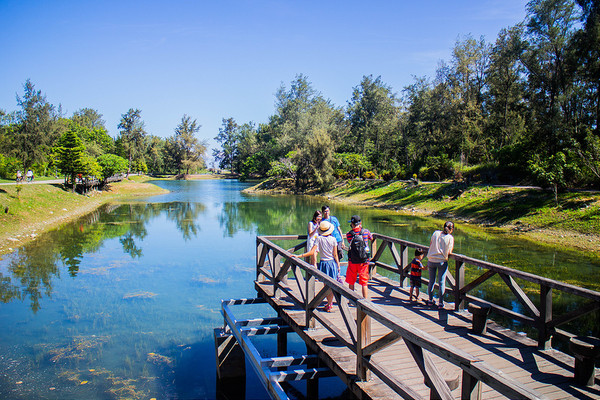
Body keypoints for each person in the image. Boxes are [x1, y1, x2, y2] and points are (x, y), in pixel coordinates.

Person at [292, 220, 340, 312]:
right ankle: (330, 304)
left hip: (323, 263)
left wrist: (298, 256)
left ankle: (329, 304)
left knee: (326, 285)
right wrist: (337, 264)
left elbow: (311, 252)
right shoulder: (333, 239)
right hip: (332, 263)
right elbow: (335, 255)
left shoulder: (318, 239)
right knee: (332, 284)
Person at [426, 221, 455, 308]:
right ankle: (441, 303)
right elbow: (449, 252)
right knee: (441, 282)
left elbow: (431, 244)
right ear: (451, 229)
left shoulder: (435, 233)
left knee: (431, 281)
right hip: (441, 261)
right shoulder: (450, 237)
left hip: (431, 260)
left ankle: (430, 300)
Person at [345, 215, 373, 299]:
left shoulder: (349, 235)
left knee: (351, 281)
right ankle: (365, 300)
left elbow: (349, 241)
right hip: (364, 260)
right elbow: (371, 238)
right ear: (360, 223)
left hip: (352, 260)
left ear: (352, 224)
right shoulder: (366, 232)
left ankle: (351, 299)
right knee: (364, 282)